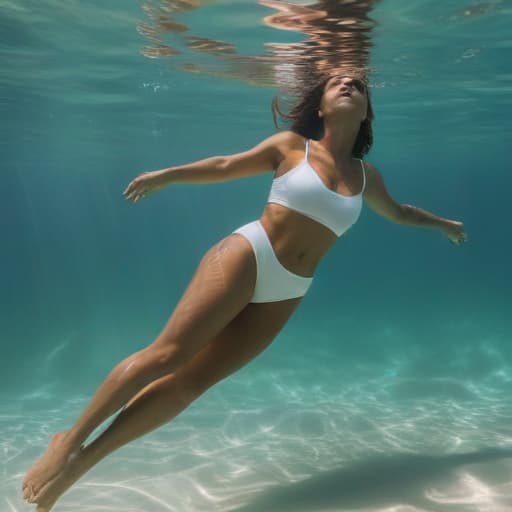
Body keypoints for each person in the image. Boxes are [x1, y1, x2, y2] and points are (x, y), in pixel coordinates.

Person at [22, 73, 468, 511]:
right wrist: (167, 175)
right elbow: (224, 165)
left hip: (290, 287)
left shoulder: (366, 176)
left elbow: (400, 212)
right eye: (337, 83)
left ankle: (78, 468)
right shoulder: (293, 147)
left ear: (368, 110)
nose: (350, 84)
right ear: (321, 106)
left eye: (360, 85)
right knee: (167, 355)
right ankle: (67, 443)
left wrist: (442, 224)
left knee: (190, 384)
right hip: (249, 254)